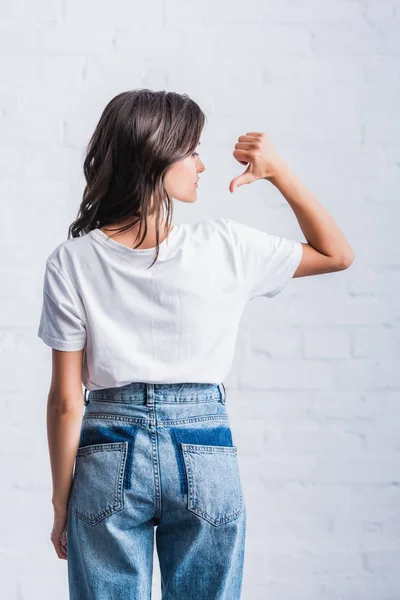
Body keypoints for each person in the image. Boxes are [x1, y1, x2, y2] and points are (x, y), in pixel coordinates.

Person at [37, 89, 355, 600]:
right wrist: (279, 172)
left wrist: (60, 501)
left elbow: (67, 400)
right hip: (204, 445)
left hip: (106, 451)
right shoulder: (226, 245)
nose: (202, 164)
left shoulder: (71, 261)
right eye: (191, 151)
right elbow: (337, 254)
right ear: (155, 155)